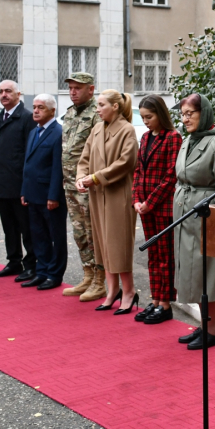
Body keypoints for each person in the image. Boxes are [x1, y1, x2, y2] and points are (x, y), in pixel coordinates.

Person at [174, 94, 215, 350]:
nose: (185, 118)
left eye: (191, 113)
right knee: (191, 272)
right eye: (183, 113)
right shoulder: (189, 140)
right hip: (185, 214)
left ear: (205, 113)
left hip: (206, 217)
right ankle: (203, 325)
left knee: (206, 272)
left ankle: (211, 331)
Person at [76, 90, 139, 315]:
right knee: (103, 243)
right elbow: (84, 159)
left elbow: (126, 162)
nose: (97, 108)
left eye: (101, 105)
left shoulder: (127, 130)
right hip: (97, 194)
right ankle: (113, 291)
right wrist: (80, 178)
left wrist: (93, 178)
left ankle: (129, 291)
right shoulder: (97, 129)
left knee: (118, 244)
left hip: (118, 194)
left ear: (115, 106)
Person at [133, 95, 182, 324]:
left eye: (149, 117)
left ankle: (165, 304)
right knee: (153, 256)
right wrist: (136, 200)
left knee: (165, 256)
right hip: (145, 207)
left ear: (161, 114)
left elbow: (171, 175)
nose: (146, 122)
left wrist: (149, 202)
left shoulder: (173, 138)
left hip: (162, 207)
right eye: (143, 117)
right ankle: (154, 300)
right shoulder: (144, 137)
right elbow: (137, 172)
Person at [0, 80, 38, 282]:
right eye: (0, 92)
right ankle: (14, 261)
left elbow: (29, 153)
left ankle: (32, 264)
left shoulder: (26, 118)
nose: (4, 95)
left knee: (26, 227)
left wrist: (27, 185)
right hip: (2, 183)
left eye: (8, 91)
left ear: (18, 94)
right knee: (9, 227)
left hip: (20, 184)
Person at [61, 72, 104, 301]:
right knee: (79, 233)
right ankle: (87, 275)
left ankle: (100, 280)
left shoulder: (97, 113)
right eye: (70, 88)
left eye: (78, 88)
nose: (73, 91)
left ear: (91, 89)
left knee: (92, 231)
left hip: (87, 185)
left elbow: (98, 150)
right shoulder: (69, 114)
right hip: (69, 184)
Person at [20, 94, 67, 290]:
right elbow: (27, 163)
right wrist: (24, 190)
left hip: (50, 195)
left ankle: (54, 274)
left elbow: (58, 167)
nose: (36, 111)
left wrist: (53, 196)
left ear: (52, 111)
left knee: (55, 235)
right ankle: (42, 270)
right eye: (34, 107)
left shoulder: (58, 133)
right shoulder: (34, 132)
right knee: (38, 235)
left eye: (41, 107)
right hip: (33, 192)